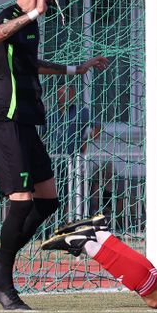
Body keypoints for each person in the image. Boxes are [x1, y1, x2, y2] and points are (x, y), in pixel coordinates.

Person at [0, 0, 110, 310]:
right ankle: (3, 283)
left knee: (48, 200)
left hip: (26, 120)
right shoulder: (12, 16)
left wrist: (73, 69)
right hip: (3, 118)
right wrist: (31, 12)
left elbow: (28, 63)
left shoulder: (32, 27)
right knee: (20, 200)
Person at [47, 83, 106, 218]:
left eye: (67, 93)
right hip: (54, 161)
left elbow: (97, 127)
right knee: (56, 195)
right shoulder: (50, 113)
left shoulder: (82, 112)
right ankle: (56, 224)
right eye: (61, 93)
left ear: (73, 95)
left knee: (79, 191)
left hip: (74, 160)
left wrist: (87, 140)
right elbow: (41, 133)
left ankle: (85, 220)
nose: (63, 96)